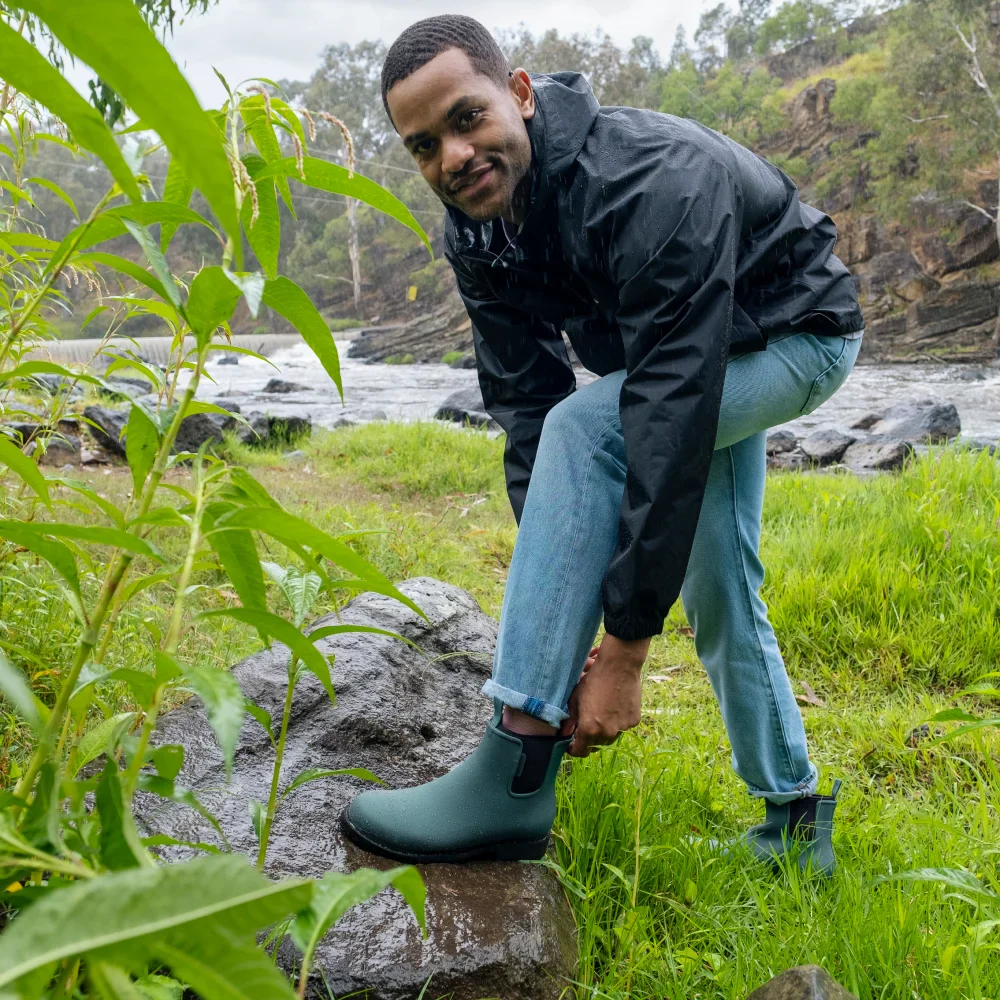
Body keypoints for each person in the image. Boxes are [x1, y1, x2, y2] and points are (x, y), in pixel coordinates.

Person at [341, 14, 863, 875]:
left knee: (586, 426)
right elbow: (525, 402)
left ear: (519, 94)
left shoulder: (650, 178)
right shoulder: (476, 226)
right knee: (718, 580)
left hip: (795, 335)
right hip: (685, 356)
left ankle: (516, 764)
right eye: (424, 146)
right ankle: (796, 825)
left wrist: (623, 650)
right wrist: (570, 605)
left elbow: (665, 409)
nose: (454, 157)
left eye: (467, 119)